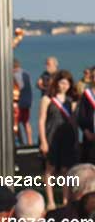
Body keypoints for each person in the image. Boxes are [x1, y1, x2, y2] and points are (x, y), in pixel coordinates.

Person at [39, 69, 80, 207]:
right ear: (56, 83)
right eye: (62, 83)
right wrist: (43, 141)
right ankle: (50, 201)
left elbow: (74, 122)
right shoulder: (47, 99)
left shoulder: (71, 101)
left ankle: (65, 199)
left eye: (67, 84)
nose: (64, 86)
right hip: (51, 136)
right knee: (49, 168)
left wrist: (76, 138)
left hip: (67, 136)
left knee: (65, 170)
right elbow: (41, 120)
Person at [14, 60, 34, 145]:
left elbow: (20, 86)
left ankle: (19, 142)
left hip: (19, 102)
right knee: (26, 122)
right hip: (27, 102)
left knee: (16, 122)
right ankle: (30, 142)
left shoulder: (16, 75)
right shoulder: (26, 74)